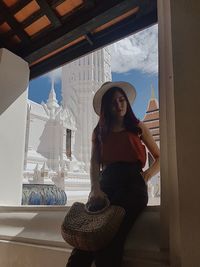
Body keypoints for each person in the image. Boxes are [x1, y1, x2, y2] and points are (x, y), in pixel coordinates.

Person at [66, 81, 160, 267]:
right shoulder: (99, 132)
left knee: (110, 240)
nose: (119, 105)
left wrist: (147, 175)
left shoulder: (138, 127)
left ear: (127, 102)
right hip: (106, 185)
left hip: (132, 186)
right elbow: (94, 162)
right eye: (113, 102)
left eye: (122, 99)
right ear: (106, 107)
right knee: (84, 239)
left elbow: (159, 157)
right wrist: (95, 188)